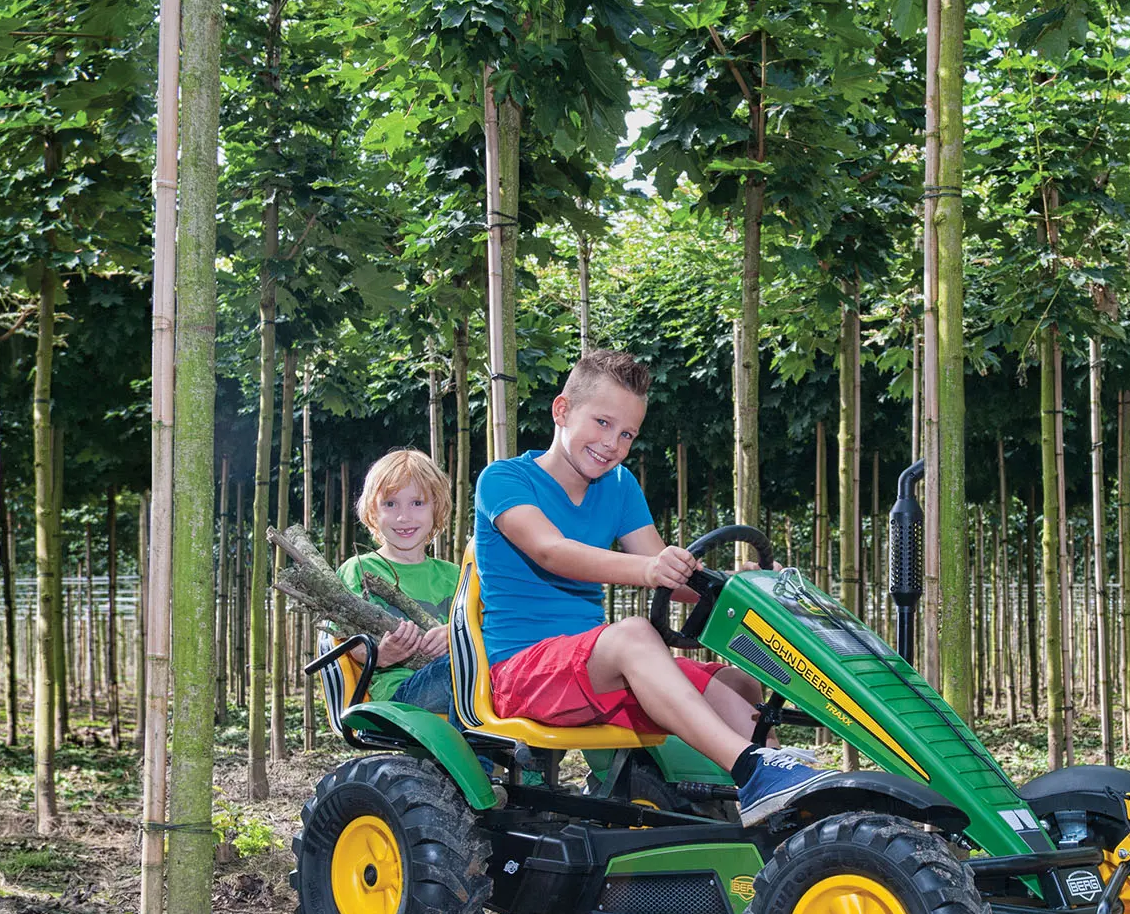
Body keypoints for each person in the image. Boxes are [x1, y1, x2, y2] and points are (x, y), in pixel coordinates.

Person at [475, 349, 829, 825]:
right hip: (520, 675)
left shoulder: (618, 484)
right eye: (602, 423)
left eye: (626, 434)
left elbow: (667, 574)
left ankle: (795, 813)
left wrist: (737, 585)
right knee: (637, 634)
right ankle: (750, 770)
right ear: (562, 410)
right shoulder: (504, 479)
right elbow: (550, 550)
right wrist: (649, 570)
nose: (613, 444)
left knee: (736, 681)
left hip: (594, 670)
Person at [337, 448, 459, 717]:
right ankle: (475, 761)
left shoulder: (455, 575)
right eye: (390, 504)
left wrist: (454, 634)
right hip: (400, 693)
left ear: (436, 507)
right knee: (464, 672)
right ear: (373, 510)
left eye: (417, 503)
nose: (404, 517)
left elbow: (483, 630)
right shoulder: (361, 570)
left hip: (463, 686)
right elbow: (348, 643)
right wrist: (381, 655)